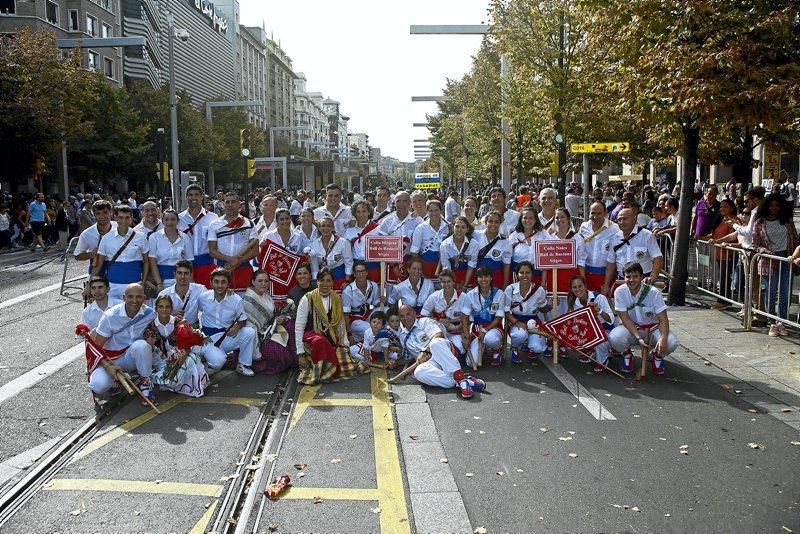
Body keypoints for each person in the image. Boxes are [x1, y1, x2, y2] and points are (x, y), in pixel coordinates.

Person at [294, 268, 370, 385]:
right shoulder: (307, 299)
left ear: (333, 283)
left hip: (332, 338)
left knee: (348, 368)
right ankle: (322, 371)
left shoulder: (336, 299)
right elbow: (299, 327)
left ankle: (329, 369)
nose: (325, 284)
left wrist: (345, 345)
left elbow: (340, 324)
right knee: (320, 341)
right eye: (322, 280)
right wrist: (300, 354)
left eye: (328, 281)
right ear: (317, 281)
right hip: (312, 338)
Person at [88, 283, 157, 402]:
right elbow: (96, 348)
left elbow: (165, 323)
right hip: (110, 359)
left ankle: (145, 386)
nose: (134, 301)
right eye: (130, 296)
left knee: (142, 346)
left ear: (144, 298)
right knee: (98, 386)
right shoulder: (110, 316)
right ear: (124, 298)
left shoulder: (149, 314)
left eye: (138, 297)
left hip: (130, 357)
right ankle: (114, 382)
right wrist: (108, 367)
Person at [398, 305, 485, 399]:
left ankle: (459, 377)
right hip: (431, 362)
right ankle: (461, 381)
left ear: (414, 314)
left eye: (408, 314)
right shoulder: (402, 335)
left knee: (435, 343)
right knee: (419, 372)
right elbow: (408, 357)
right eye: (402, 316)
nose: (405, 318)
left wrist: (425, 351)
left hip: (443, 353)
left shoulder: (424, 322)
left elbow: (439, 335)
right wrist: (394, 363)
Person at [610, 262, 678, 375]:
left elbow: (663, 319)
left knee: (671, 342)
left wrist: (663, 338)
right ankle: (627, 354)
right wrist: (639, 338)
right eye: (628, 277)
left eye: (635, 276)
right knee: (615, 337)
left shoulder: (653, 292)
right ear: (624, 277)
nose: (631, 280)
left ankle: (657, 355)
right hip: (632, 328)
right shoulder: (620, 292)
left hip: (653, 329)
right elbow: (625, 319)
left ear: (641, 277)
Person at [197, 268, 258, 376]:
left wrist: (237, 327)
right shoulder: (203, 297)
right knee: (218, 362)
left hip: (227, 337)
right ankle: (206, 361)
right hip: (208, 339)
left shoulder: (235, 299)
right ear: (211, 283)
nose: (220, 285)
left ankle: (243, 365)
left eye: (223, 282)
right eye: (216, 282)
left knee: (250, 332)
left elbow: (242, 319)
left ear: (228, 283)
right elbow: (200, 311)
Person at [751, 193, 797, 337]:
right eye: (771, 205)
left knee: (785, 293)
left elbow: (796, 240)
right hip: (768, 260)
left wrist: (794, 256)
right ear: (766, 206)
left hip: (786, 258)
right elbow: (755, 244)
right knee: (770, 292)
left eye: (777, 205)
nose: (774, 208)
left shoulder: (787, 221)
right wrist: (766, 252)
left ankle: (781, 322)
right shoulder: (759, 222)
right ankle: (772, 322)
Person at [147, 296, 209, 397]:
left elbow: (189, 346)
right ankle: (168, 380)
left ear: (171, 309)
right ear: (156, 309)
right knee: (170, 381)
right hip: (162, 362)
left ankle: (190, 384)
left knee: (192, 359)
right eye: (161, 307)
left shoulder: (180, 322)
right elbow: (151, 351)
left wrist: (177, 363)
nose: (164, 310)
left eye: (167, 307)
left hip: (181, 357)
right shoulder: (151, 326)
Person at [242, 270, 297, 374]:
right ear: (253, 282)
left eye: (266, 281)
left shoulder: (266, 294)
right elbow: (251, 329)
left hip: (270, 330)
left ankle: (296, 356)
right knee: (279, 351)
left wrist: (281, 318)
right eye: (260, 281)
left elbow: (272, 315)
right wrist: (256, 353)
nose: (263, 284)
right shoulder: (248, 300)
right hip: (258, 338)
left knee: (289, 324)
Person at [94, 205, 150, 300]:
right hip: (112, 286)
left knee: (135, 313)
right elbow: (99, 264)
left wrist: (143, 283)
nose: (124, 221)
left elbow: (146, 262)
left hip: (135, 285)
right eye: (120, 217)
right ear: (115, 217)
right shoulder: (106, 238)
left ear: (131, 218)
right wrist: (90, 283)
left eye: (127, 218)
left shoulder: (141, 237)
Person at [207, 191, 258, 291]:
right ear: (223, 204)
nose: (230, 205)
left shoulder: (249, 224)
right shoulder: (214, 224)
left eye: (233, 202)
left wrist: (238, 261)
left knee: (244, 303)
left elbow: (255, 250)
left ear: (239, 204)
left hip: (243, 268)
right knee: (223, 301)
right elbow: (212, 251)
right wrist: (230, 260)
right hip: (222, 269)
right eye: (227, 202)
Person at [563, 275, 615, 371]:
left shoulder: (599, 298)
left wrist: (599, 311)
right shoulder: (574, 302)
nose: (578, 289)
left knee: (596, 334)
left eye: (580, 286)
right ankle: (590, 350)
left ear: (585, 286)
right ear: (571, 289)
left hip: (605, 330)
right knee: (572, 333)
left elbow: (611, 320)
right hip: (589, 330)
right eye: (574, 287)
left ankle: (603, 358)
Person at [604, 208, 663, 288]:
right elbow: (611, 263)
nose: (621, 222)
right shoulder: (615, 238)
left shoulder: (647, 235)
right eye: (619, 219)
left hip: (644, 281)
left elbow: (658, 258)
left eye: (625, 219)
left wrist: (652, 277)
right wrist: (606, 285)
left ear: (634, 220)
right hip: (622, 281)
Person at [461, 265, 506, 366]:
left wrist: (485, 330)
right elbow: (465, 317)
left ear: (491, 278)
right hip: (477, 330)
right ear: (477, 279)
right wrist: (467, 337)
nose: (483, 279)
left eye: (486, 276)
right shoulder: (470, 294)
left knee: (492, 339)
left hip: (493, 327)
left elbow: (498, 318)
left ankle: (496, 350)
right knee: (472, 363)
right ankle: (482, 347)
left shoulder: (499, 294)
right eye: (480, 277)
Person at [505, 261, 549, 363]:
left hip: (533, 320)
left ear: (532, 274)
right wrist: (516, 322)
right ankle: (515, 348)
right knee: (520, 335)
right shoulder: (510, 289)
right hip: (516, 319)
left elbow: (543, 308)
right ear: (517, 274)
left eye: (528, 272)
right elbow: (506, 312)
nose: (525, 275)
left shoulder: (539, 290)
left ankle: (529, 344)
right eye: (522, 272)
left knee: (537, 348)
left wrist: (547, 326)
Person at [178, 185, 219, 289]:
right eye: (190, 195)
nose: (193, 198)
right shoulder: (179, 219)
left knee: (207, 297)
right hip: (185, 266)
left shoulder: (212, 217)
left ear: (202, 197)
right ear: (186, 197)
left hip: (206, 264)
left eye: (196, 195)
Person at [378, 191, 422, 285]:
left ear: (410, 203)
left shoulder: (418, 221)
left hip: (411, 265)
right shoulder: (387, 221)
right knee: (391, 297)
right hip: (391, 265)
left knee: (411, 297)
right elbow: (383, 247)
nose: (401, 204)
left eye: (405, 201)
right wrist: (393, 266)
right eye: (398, 201)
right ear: (394, 203)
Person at [703, 199, 739, 310]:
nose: (722, 209)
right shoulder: (721, 219)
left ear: (732, 208)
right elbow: (716, 234)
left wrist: (717, 241)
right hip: (720, 253)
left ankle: (723, 300)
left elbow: (732, 237)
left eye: (725, 207)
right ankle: (723, 299)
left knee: (725, 277)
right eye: (721, 207)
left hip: (729, 254)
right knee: (722, 277)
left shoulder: (734, 220)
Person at [421, 269, 467, 356]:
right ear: (440, 283)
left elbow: (468, 318)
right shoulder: (434, 297)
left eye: (449, 281)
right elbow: (424, 315)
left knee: (460, 348)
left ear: (454, 282)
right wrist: (437, 321)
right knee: (437, 347)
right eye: (443, 282)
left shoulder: (463, 297)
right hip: (438, 331)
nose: (446, 285)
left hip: (455, 331)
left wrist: (452, 324)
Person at [147, 209, 193, 290]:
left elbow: (189, 262)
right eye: (166, 219)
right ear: (162, 221)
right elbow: (152, 263)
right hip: (160, 279)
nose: (169, 222)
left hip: (180, 280)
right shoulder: (154, 237)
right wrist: (159, 283)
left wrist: (188, 281)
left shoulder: (185, 237)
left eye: (173, 219)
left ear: (177, 221)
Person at [579, 202, 617, 294]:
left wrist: (606, 284)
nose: (595, 216)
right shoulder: (584, 227)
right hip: (586, 275)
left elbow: (613, 257)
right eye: (592, 213)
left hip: (606, 276)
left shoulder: (615, 229)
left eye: (599, 213)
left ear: (605, 213)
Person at [547, 208, 587, 295]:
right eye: (557, 218)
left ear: (568, 219)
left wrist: (583, 281)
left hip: (571, 277)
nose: (559, 220)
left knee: (571, 304)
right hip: (553, 276)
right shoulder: (549, 238)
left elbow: (581, 261)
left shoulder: (577, 238)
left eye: (562, 217)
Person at [309, 216, 353, 292]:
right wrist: (316, 281)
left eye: (328, 226)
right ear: (319, 228)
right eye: (323, 226)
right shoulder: (314, 244)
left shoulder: (342, 242)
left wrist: (347, 281)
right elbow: (314, 266)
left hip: (340, 275)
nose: (326, 228)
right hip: (323, 279)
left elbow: (349, 263)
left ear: (333, 228)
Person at [410, 200, 450, 280]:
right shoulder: (420, 228)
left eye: (436, 210)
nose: (433, 213)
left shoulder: (448, 227)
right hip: (425, 270)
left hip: (443, 269)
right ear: (427, 212)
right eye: (431, 211)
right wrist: (419, 271)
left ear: (441, 211)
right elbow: (414, 253)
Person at [157, 260, 205, 326]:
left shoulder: (200, 289)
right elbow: (157, 317)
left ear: (191, 275)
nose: (182, 277)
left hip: (193, 329)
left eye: (186, 273)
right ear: (174, 275)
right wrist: (172, 317)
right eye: (179, 273)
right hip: (172, 330)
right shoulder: (164, 294)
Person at [509, 207, 549, 286]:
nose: (528, 221)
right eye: (525, 218)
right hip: (518, 279)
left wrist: (543, 283)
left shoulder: (543, 235)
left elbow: (546, 261)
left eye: (531, 218)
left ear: (535, 220)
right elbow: (508, 261)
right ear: (521, 219)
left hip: (537, 277)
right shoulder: (513, 237)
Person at [342, 261, 381, 342]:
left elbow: (376, 305)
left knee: (386, 310)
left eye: (363, 271)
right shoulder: (348, 290)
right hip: (355, 319)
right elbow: (346, 315)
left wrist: (382, 301)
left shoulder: (373, 285)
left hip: (368, 314)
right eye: (358, 272)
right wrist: (349, 334)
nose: (361, 274)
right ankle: (376, 343)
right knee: (370, 328)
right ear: (354, 274)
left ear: (367, 272)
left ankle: (387, 338)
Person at [344, 200, 381, 283]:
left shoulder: (377, 229)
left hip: (373, 267)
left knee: (374, 292)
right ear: (355, 213)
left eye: (364, 211)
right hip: (357, 267)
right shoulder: (349, 230)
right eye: (358, 212)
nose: (361, 214)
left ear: (369, 212)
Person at [474, 210, 512, 289]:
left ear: (500, 223)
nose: (493, 224)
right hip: (478, 277)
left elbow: (506, 265)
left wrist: (505, 284)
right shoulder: (476, 235)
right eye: (490, 221)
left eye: (496, 222)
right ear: (485, 222)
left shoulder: (505, 242)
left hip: (496, 278)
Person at [439, 217, 480, 288]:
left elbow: (471, 266)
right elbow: (446, 267)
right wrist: (452, 285)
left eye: (463, 227)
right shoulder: (445, 245)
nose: (459, 230)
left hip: (468, 278)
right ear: (453, 227)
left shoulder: (474, 244)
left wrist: (465, 286)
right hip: (451, 278)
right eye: (457, 226)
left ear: (467, 229)